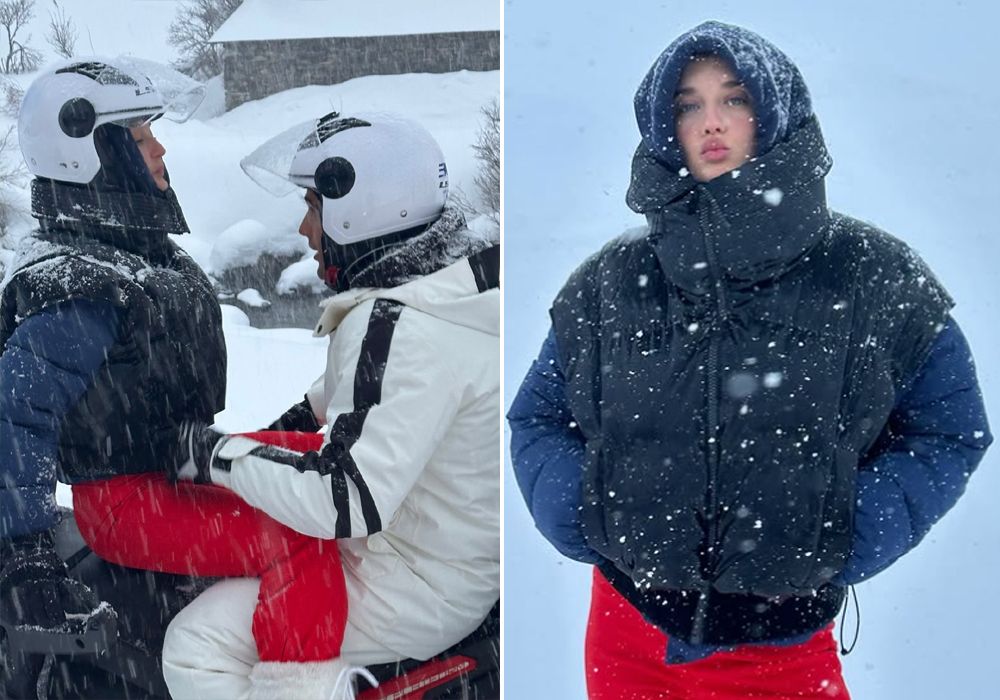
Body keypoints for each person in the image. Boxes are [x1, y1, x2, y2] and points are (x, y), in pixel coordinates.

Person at [508, 20, 991, 700]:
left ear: (773, 112)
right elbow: (537, 417)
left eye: (734, 98)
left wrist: (850, 530)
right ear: (663, 123)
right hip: (630, 635)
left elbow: (949, 427)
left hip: (785, 648)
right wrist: (578, 512)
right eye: (688, 103)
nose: (712, 121)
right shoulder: (609, 284)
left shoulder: (870, 275)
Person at [0, 58, 353, 698]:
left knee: (317, 486)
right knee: (303, 538)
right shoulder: (80, 283)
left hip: (174, 469)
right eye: (139, 137)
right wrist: (23, 555)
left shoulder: (133, 257)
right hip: (127, 502)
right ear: (89, 154)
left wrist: (289, 433)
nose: (159, 148)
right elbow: (16, 414)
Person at [156, 111, 501, 699]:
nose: (306, 229)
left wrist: (214, 456)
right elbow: (341, 399)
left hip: (418, 581)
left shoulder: (400, 326)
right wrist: (268, 438)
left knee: (198, 644)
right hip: (449, 557)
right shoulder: (445, 292)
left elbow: (346, 498)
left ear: (360, 209)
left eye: (314, 207)